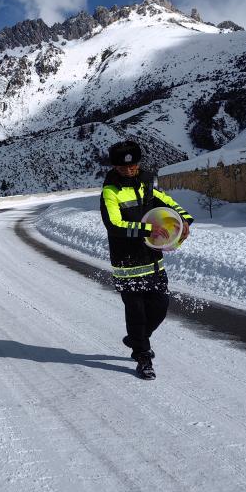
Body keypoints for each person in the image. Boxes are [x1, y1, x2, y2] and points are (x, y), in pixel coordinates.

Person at [100, 140, 194, 380]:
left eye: (132, 165)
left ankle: (136, 338)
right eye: (123, 167)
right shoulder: (110, 191)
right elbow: (114, 225)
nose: (128, 170)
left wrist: (184, 220)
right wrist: (147, 230)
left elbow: (170, 204)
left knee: (160, 307)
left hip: (153, 261)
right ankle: (142, 356)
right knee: (136, 313)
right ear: (115, 166)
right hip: (127, 263)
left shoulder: (147, 184)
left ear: (139, 163)